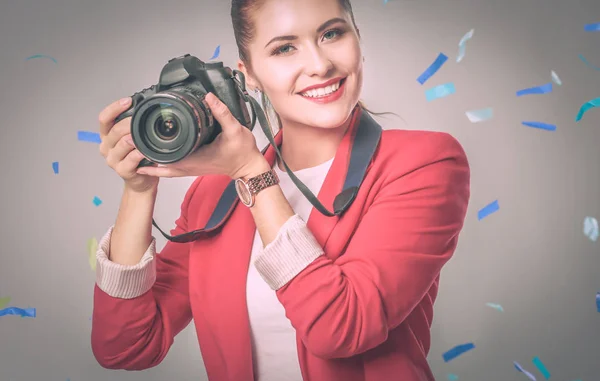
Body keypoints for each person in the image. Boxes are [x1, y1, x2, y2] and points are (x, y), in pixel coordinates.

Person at [91, 0, 471, 380]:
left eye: (332, 34)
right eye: (285, 47)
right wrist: (139, 189)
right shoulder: (214, 195)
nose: (320, 64)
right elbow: (127, 346)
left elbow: (342, 329)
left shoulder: (424, 162)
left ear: (358, 39)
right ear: (248, 74)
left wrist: (252, 172)